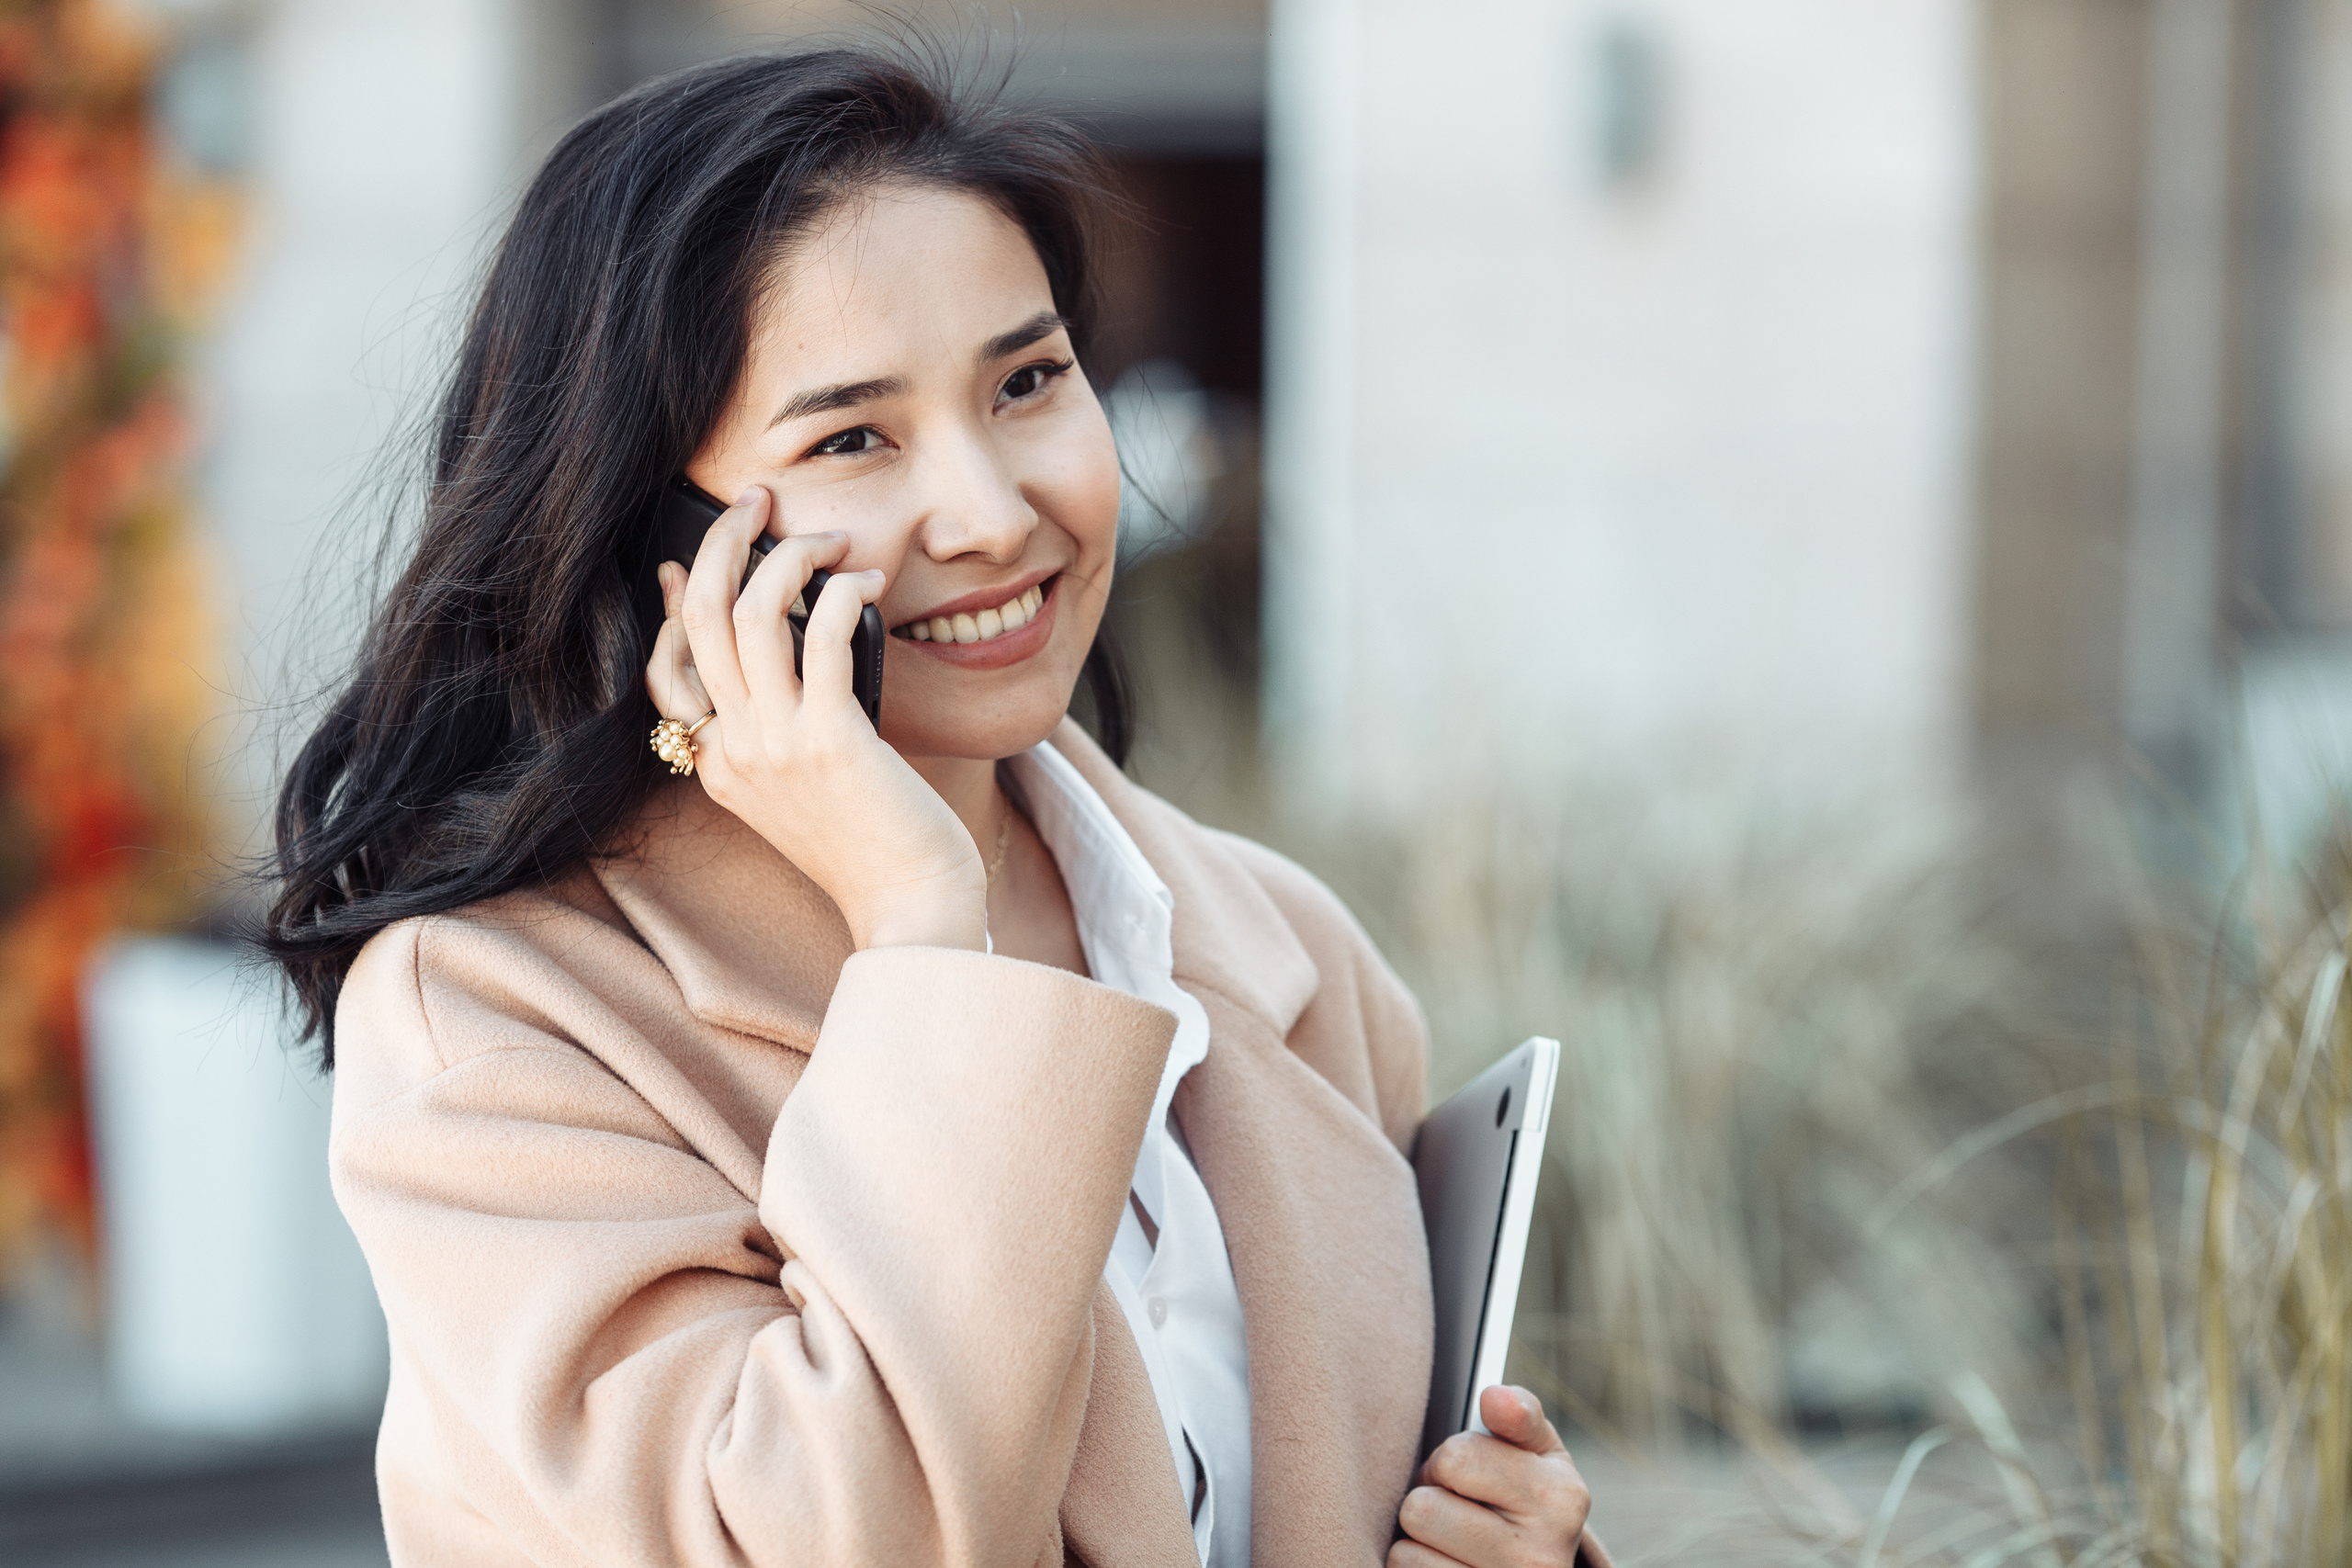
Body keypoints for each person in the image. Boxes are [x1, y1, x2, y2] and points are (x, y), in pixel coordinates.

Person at [261, 45, 1607, 1568]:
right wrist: (917, 926)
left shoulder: (1285, 951)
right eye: (850, 438)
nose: (987, 513)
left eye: (1028, 382)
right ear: (666, 544)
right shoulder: (501, 1023)